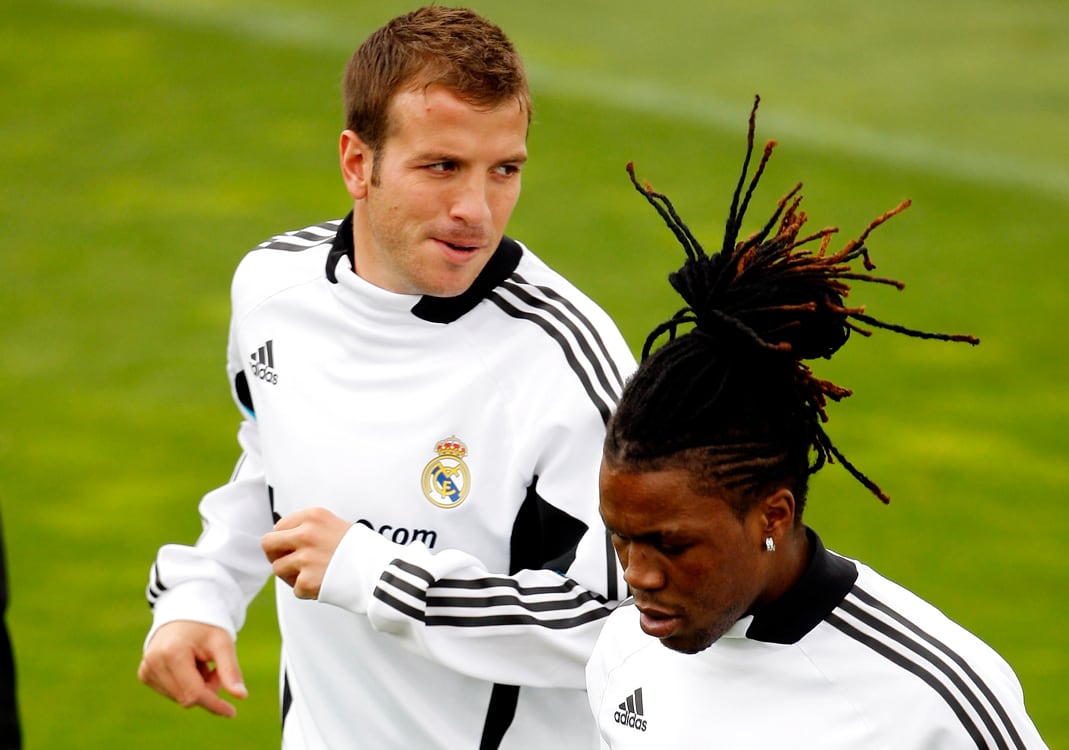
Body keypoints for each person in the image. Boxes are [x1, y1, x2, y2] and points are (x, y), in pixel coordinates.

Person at [137, 7, 635, 749]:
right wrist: (203, 590)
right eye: (441, 166)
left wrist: (379, 576)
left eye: (504, 170)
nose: (475, 210)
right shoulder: (274, 291)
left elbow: (620, 623)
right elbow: (271, 454)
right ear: (355, 163)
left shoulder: (567, 359)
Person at [585, 98, 1048, 748]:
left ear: (772, 515)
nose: (637, 575)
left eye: (671, 544)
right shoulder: (622, 655)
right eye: (620, 538)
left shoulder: (930, 696)